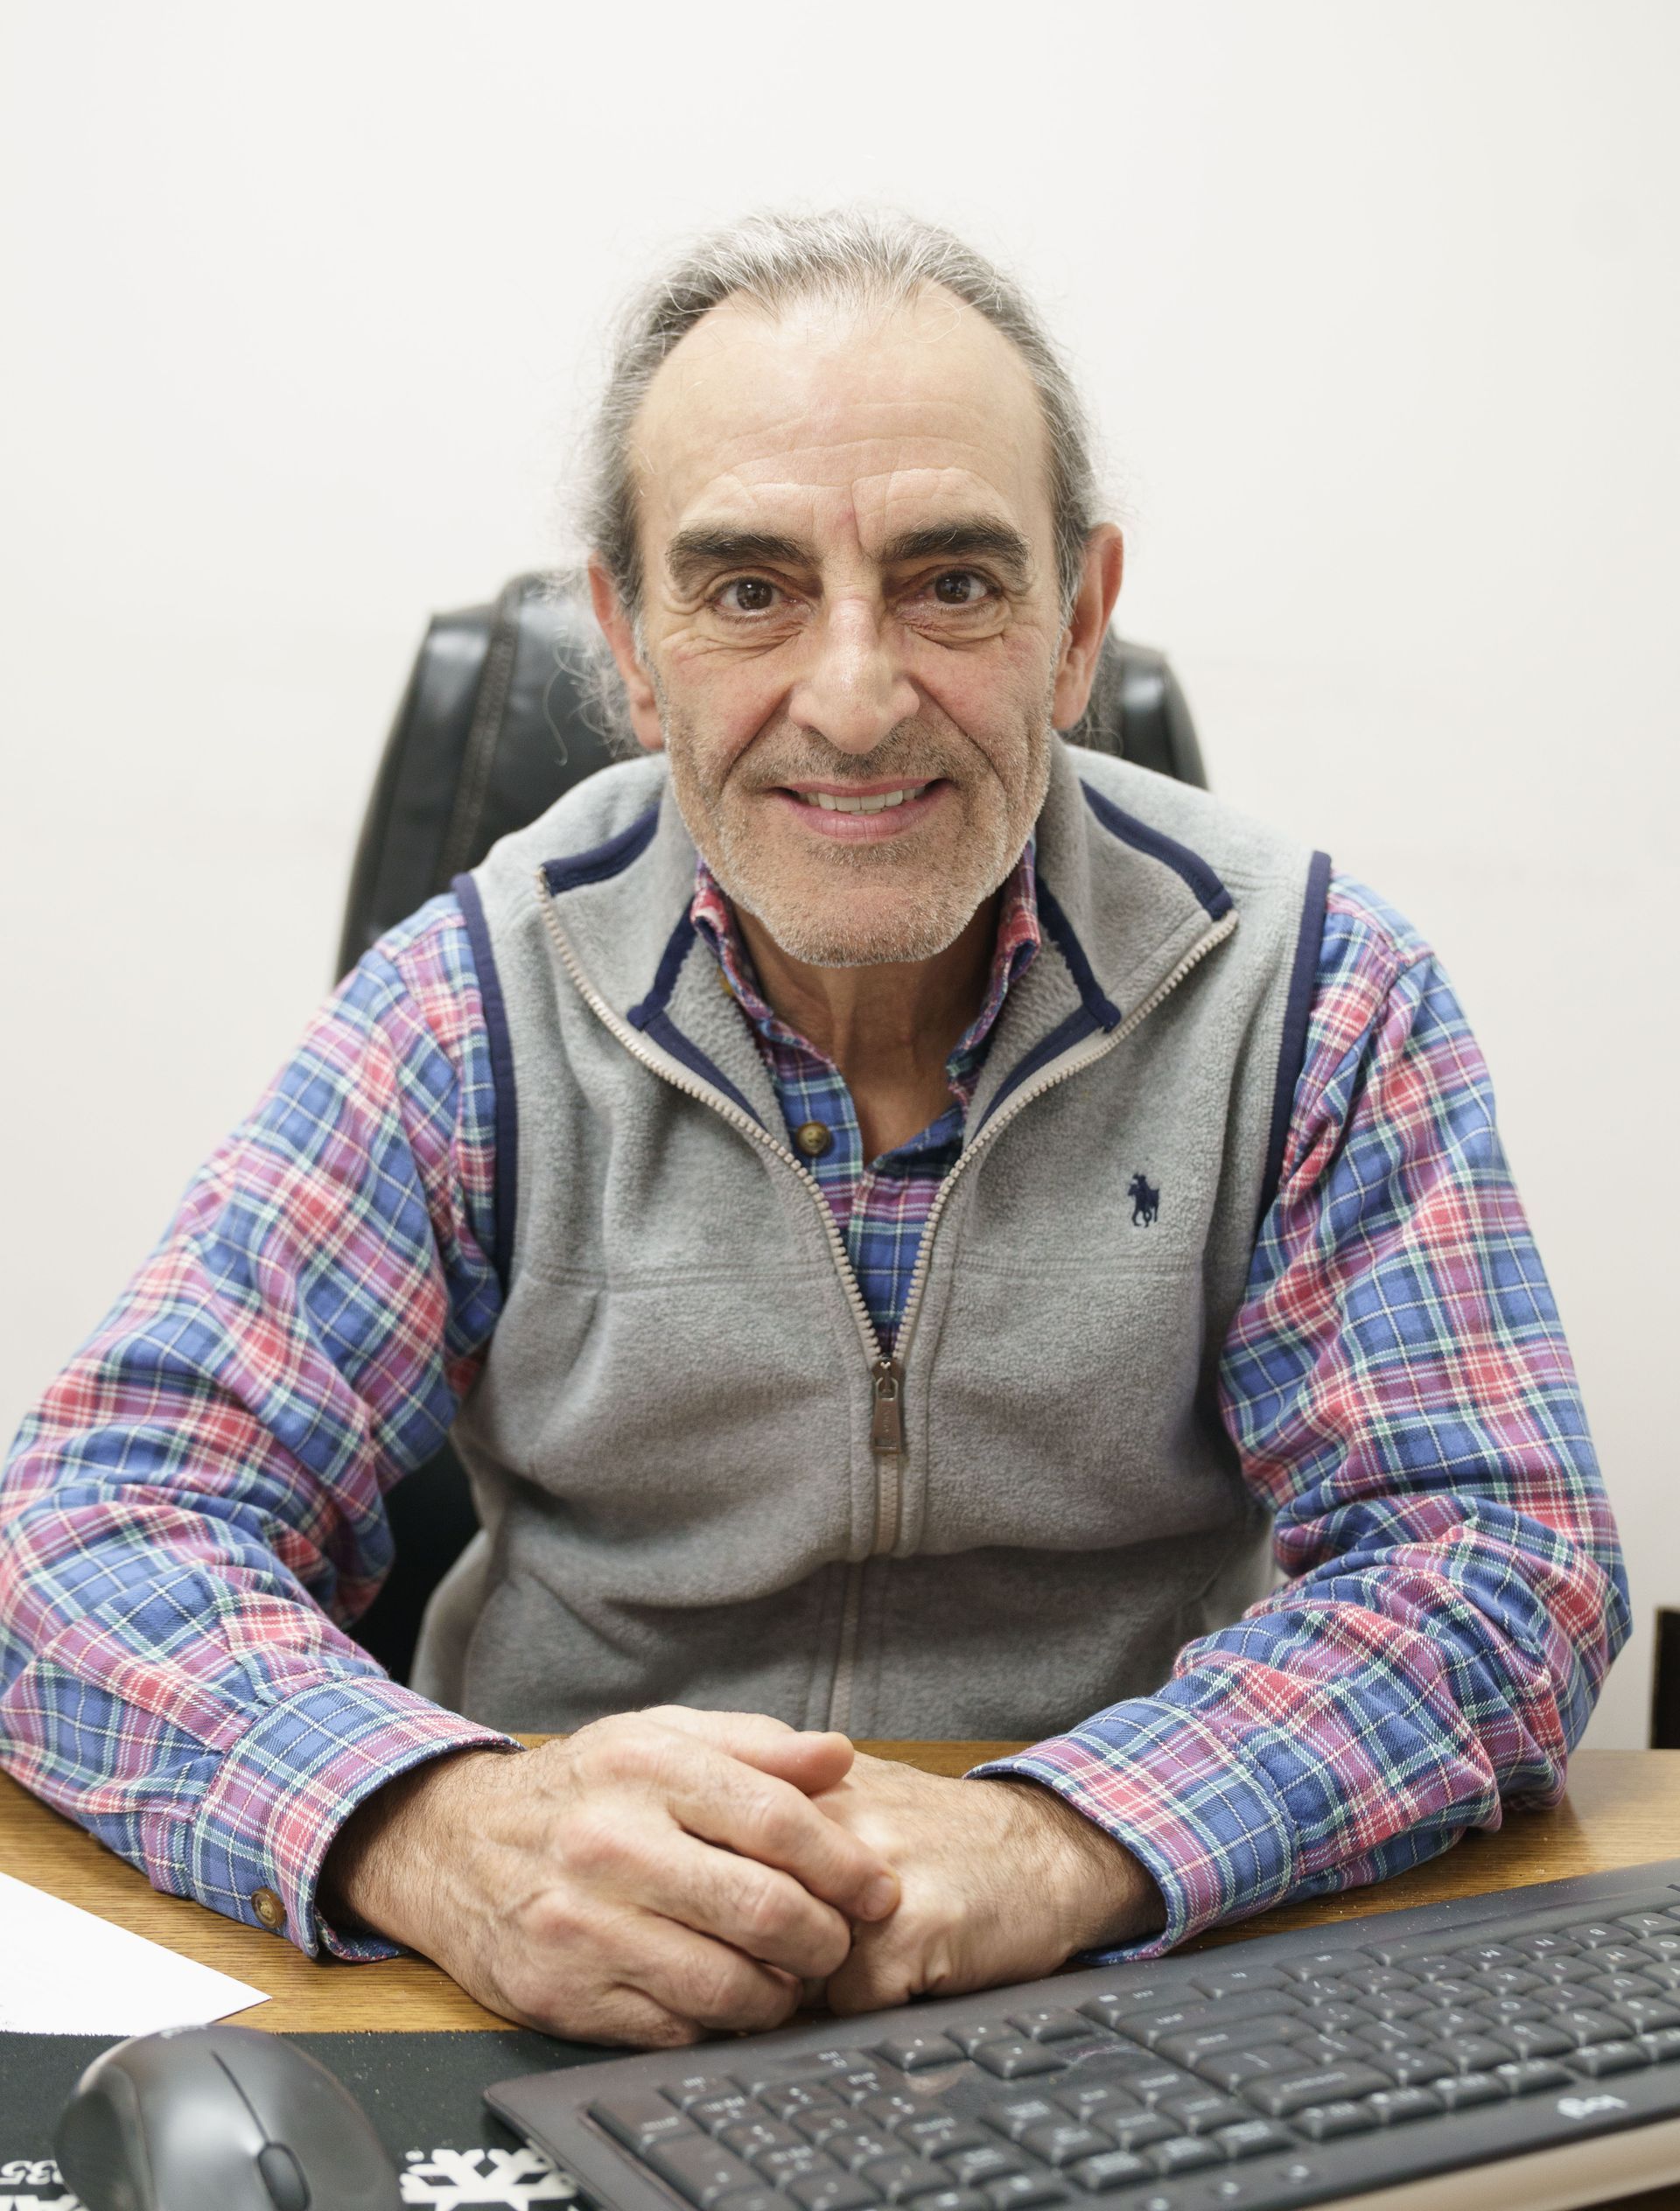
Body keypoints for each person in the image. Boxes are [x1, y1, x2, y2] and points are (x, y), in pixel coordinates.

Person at [0, 211, 1628, 2050]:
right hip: (556, 1992)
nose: (853, 702)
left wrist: (1058, 1840)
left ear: (1079, 623)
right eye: (749, 589)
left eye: (951, 584)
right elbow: (83, 1528)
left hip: (1110, 1995)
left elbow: (1501, 1566)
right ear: (627, 642)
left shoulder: (1318, 997)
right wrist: (439, 1830)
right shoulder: (471, 1001)